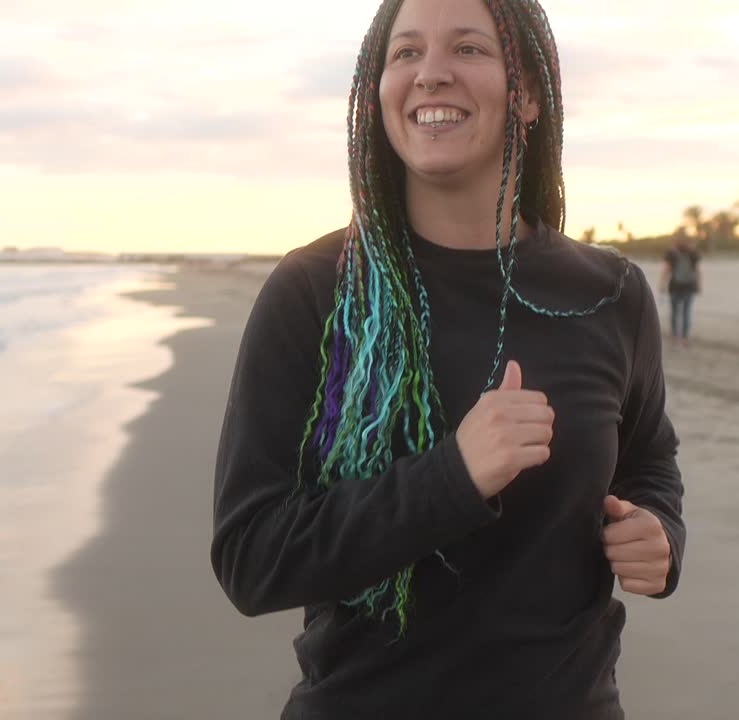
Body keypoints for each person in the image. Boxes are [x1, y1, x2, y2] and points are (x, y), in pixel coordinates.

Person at [211, 1, 685, 717]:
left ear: (525, 92)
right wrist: (452, 476)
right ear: (378, 94)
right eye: (405, 54)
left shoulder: (609, 292)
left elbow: (649, 456)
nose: (430, 74)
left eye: (467, 49)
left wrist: (659, 532)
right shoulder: (317, 291)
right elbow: (252, 558)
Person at [660, 229, 701, 347]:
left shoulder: (671, 252)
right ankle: (684, 338)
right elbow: (697, 270)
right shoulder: (693, 252)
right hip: (689, 286)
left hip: (675, 286)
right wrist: (698, 284)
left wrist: (662, 284)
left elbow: (666, 270)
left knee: (674, 312)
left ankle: (674, 337)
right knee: (686, 313)